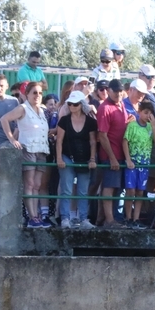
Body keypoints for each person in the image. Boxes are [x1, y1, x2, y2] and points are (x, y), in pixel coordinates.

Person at [0, 82, 50, 228]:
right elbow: (4, 119)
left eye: (40, 93)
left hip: (41, 149)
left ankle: (37, 216)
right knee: (29, 183)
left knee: (37, 184)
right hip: (28, 148)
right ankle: (32, 216)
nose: (37, 96)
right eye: (34, 92)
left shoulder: (42, 111)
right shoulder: (23, 108)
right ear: (27, 94)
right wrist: (12, 139)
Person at [56, 91, 98, 230]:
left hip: (85, 158)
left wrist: (92, 158)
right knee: (66, 189)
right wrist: (59, 158)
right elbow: (59, 141)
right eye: (70, 104)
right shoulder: (64, 120)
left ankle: (84, 218)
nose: (72, 106)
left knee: (83, 191)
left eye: (75, 104)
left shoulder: (91, 122)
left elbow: (93, 142)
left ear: (82, 105)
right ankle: (65, 218)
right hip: (67, 156)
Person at [96, 78, 130, 229]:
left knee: (118, 188)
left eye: (120, 91)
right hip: (111, 156)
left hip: (121, 155)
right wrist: (112, 158)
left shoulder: (121, 104)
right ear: (109, 90)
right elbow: (102, 135)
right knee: (109, 187)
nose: (118, 93)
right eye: (115, 91)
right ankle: (109, 220)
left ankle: (111, 218)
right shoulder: (105, 108)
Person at [123, 100, 155, 229]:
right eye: (145, 113)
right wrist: (128, 159)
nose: (147, 116)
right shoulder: (132, 125)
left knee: (140, 192)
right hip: (133, 164)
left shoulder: (150, 127)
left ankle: (136, 218)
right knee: (130, 191)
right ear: (139, 112)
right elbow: (125, 141)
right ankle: (128, 217)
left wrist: (154, 126)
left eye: (150, 114)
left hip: (144, 165)